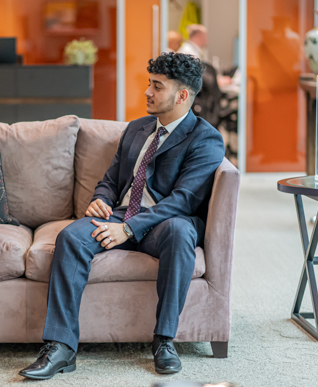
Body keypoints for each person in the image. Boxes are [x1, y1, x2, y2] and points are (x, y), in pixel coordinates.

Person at [19, 52, 224, 380]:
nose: (147, 92)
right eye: (149, 84)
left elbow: (183, 201)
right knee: (71, 236)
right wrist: (99, 200)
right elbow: (112, 180)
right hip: (119, 215)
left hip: (161, 223)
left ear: (182, 95)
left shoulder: (206, 139)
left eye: (157, 86)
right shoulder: (138, 128)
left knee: (181, 231)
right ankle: (61, 346)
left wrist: (129, 229)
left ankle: (164, 340)